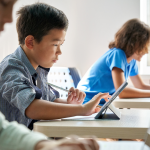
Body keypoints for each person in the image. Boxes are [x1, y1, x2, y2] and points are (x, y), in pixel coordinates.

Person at [0, 0, 101, 150]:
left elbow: (49, 99)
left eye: (61, 45)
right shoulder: (11, 68)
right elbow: (32, 107)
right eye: (55, 44)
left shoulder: (39, 69)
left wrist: (70, 104)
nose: (60, 52)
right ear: (30, 42)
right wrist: (82, 109)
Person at [77, 18, 150, 106]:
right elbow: (122, 92)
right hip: (86, 101)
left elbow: (140, 86)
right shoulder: (118, 54)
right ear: (133, 43)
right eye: (144, 46)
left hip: (100, 102)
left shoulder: (132, 61)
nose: (146, 51)